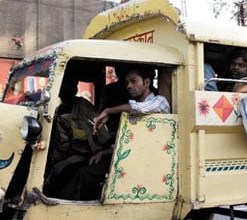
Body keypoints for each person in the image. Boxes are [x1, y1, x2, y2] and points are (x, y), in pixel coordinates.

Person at [57, 66, 170, 201]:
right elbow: (128, 142)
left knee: (86, 174)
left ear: (146, 82)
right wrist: (102, 153)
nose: (129, 86)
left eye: (133, 81)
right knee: (80, 167)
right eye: (127, 83)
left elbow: (139, 109)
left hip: (147, 162)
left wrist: (108, 111)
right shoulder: (130, 107)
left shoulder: (159, 102)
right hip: (129, 158)